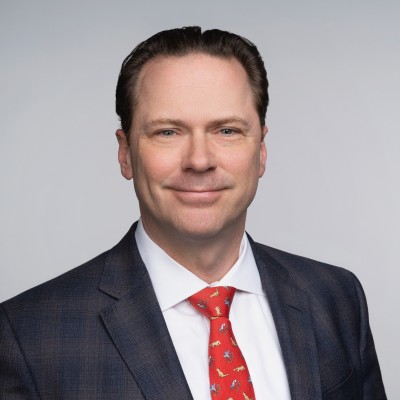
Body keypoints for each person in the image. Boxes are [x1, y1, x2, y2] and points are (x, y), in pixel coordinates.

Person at [0, 26, 386, 400]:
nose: (199, 161)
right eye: (168, 132)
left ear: (261, 151)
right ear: (126, 153)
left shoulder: (336, 298)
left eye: (227, 131)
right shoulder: (28, 336)